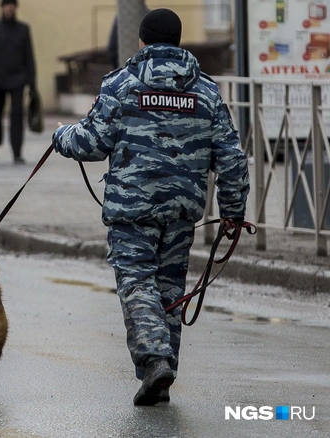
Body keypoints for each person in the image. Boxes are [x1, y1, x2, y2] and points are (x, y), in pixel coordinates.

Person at [51, 9, 249, 406]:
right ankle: (162, 376)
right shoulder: (206, 91)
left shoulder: (122, 84)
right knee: (169, 290)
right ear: (178, 41)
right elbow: (232, 157)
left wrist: (61, 135)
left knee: (137, 283)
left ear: (141, 41)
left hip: (132, 209)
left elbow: (91, 142)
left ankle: (155, 360)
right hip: (181, 209)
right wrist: (232, 211)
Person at [0, 0, 36, 164]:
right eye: (7, 5)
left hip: (18, 79)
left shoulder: (23, 29)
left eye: (12, 5)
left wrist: (32, 84)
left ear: (15, 8)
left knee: (17, 116)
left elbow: (29, 57)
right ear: (2, 8)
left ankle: (17, 152)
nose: (9, 8)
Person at [107, 0, 150, 69]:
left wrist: (118, 68)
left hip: (125, 67)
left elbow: (112, 47)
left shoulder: (121, 18)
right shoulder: (150, 17)